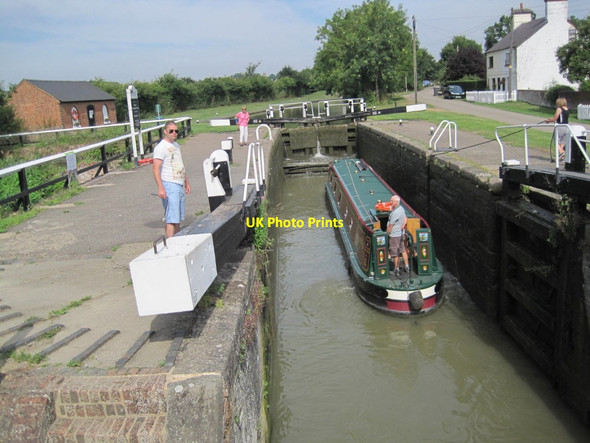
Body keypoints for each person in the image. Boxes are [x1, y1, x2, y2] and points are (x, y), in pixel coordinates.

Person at [152, 121, 191, 238]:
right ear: (165, 132)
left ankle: (177, 240)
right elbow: (155, 168)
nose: (174, 133)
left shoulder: (176, 145)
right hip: (169, 183)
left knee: (177, 217)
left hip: (178, 183)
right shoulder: (161, 147)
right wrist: (161, 188)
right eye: (171, 131)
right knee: (171, 217)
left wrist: (186, 181)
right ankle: (170, 243)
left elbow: (180, 164)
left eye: (176, 131)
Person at [386, 195, 409, 277]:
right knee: (403, 250)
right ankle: (407, 266)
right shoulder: (401, 209)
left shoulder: (395, 213)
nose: (390, 202)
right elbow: (405, 218)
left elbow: (390, 226)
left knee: (395, 253)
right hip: (401, 233)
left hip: (395, 235)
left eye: (392, 201)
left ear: (396, 202)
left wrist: (387, 234)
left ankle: (396, 269)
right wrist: (403, 224)